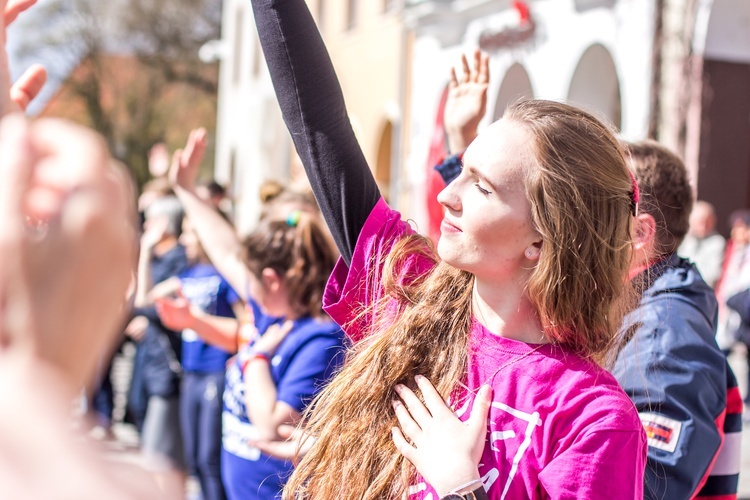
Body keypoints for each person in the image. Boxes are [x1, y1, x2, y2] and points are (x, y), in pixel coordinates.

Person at [250, 2, 646, 499]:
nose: (445, 194)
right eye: (461, 168)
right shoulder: (412, 292)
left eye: (481, 187)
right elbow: (318, 127)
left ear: (540, 241)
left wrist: (461, 486)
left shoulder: (592, 417)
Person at [156, 129, 347, 499]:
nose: (245, 287)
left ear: (273, 280)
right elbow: (226, 251)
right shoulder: (273, 310)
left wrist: (255, 359)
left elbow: (273, 427)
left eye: (252, 279)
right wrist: (185, 189)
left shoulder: (320, 337)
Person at [612, 141, 742, 500]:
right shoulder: (640, 311)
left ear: (640, 232)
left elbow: (642, 490)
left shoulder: (662, 343)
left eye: (592, 208)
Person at [152, 217, 239, 500]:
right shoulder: (186, 276)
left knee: (208, 459)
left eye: (190, 232)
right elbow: (143, 297)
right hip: (191, 373)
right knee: (194, 460)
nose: (185, 240)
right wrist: (144, 248)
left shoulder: (224, 275)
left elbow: (246, 321)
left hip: (216, 371)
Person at [678, 200, 726, 288]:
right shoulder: (684, 240)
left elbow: (711, 276)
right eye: (700, 222)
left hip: (701, 290)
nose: (703, 226)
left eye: (707, 222)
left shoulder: (717, 242)